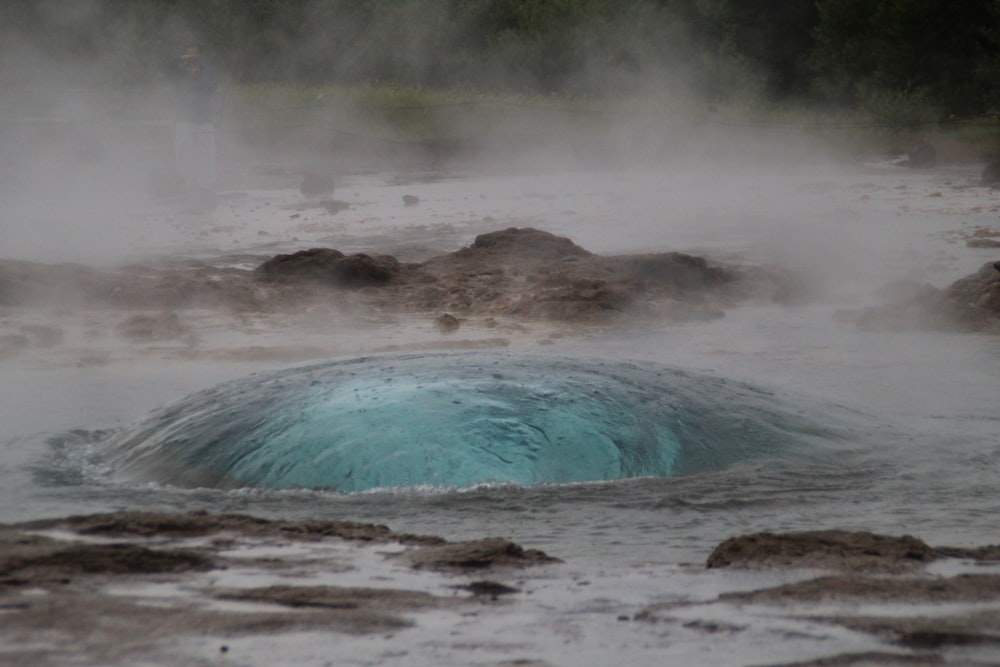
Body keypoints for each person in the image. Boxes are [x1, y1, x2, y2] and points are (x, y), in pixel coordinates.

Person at [167, 44, 221, 195]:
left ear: (200, 56)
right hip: (183, 118)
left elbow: (212, 86)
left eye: (195, 55)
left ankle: (207, 185)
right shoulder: (179, 71)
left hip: (204, 118)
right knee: (183, 151)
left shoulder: (207, 71)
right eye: (188, 55)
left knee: (206, 152)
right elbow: (166, 69)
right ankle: (187, 183)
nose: (192, 58)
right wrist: (181, 59)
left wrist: (197, 76)